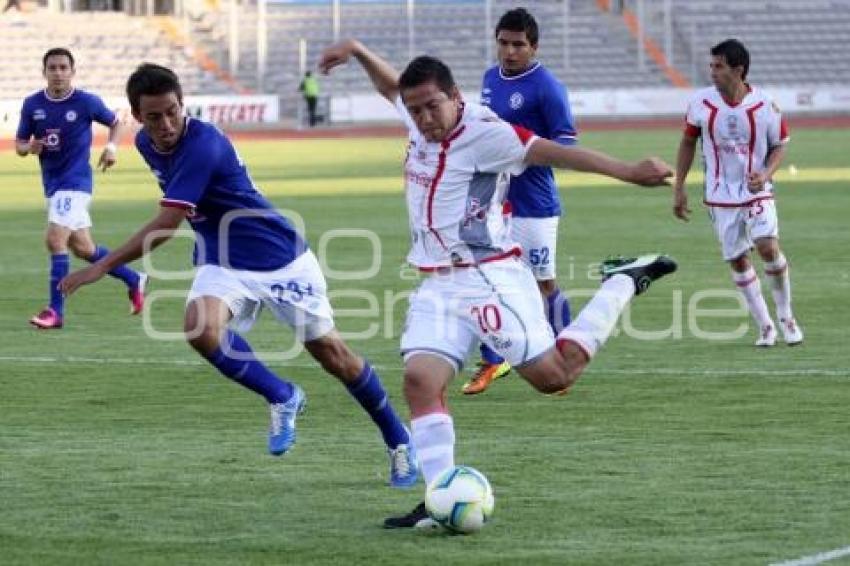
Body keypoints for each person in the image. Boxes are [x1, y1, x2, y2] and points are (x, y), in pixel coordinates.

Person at [319, 39, 677, 528]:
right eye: (415, 109)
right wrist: (359, 50)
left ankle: (622, 283)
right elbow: (391, 87)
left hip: (488, 278)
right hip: (436, 283)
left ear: (456, 97)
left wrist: (630, 172)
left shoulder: (489, 132)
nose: (423, 118)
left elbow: (556, 153)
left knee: (555, 377)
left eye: (432, 107)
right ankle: (437, 498)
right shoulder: (418, 118)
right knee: (420, 381)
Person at [58, 63, 418, 489]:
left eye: (172, 111)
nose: (166, 123)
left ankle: (399, 441)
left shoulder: (202, 144)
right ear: (138, 116)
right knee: (198, 327)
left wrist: (103, 264)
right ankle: (282, 395)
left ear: (183, 104)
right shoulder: (144, 142)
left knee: (333, 356)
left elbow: (167, 223)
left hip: (278, 256)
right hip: (222, 259)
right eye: (154, 116)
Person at [463, 7, 579, 395]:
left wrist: (524, 152)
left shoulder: (546, 86)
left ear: (534, 47)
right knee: (486, 279)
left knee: (543, 282)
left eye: (518, 45)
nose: (509, 52)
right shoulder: (489, 78)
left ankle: (565, 358)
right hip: (493, 202)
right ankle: (493, 361)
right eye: (503, 43)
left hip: (535, 203)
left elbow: (567, 142)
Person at [673, 39, 803, 347]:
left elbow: (780, 145)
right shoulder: (700, 104)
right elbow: (688, 143)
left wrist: (766, 174)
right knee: (738, 260)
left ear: (738, 70)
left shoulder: (766, 105)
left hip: (757, 190)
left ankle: (786, 316)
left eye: (719, 67)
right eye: (711, 66)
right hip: (720, 195)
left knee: (768, 247)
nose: (712, 72)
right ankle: (766, 326)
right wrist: (678, 188)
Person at [15, 47, 146, 330]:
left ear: (73, 72)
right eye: (53, 68)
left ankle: (55, 311)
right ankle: (134, 278)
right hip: (52, 184)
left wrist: (111, 148)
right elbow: (20, 145)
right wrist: (30, 147)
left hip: (76, 182)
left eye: (64, 67)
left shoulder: (86, 102)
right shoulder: (32, 104)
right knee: (84, 249)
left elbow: (116, 123)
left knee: (54, 240)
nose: (58, 72)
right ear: (44, 72)